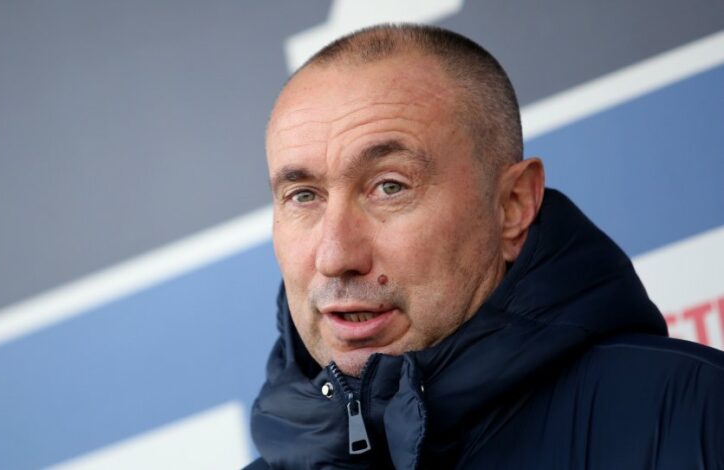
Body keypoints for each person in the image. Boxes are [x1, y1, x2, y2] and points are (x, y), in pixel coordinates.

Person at [247, 24, 724, 469]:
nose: (335, 257)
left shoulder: (696, 416)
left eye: (390, 187)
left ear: (512, 205)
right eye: (303, 196)